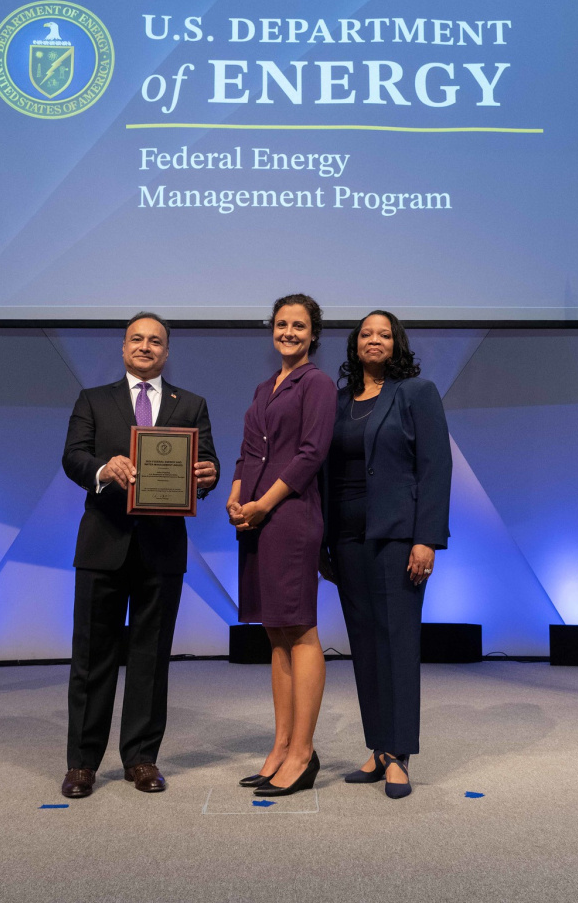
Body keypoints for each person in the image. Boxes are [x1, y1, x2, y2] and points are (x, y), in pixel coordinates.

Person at [59, 312, 219, 799]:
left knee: (151, 660)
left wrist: (207, 478)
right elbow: (73, 456)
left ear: (166, 352)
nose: (146, 347)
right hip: (102, 545)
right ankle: (83, 764)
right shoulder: (93, 400)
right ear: (123, 347)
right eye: (137, 339)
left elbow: (206, 464)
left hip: (162, 550)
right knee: (93, 658)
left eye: (155, 341)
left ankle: (142, 760)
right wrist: (105, 468)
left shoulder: (190, 404)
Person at [324, 310, 451, 799]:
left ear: (396, 344)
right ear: (355, 345)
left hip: (398, 536)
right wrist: (321, 541)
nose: (374, 340)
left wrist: (426, 539)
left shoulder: (416, 393)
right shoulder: (339, 403)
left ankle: (399, 754)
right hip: (347, 535)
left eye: (384, 334)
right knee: (365, 642)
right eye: (365, 334)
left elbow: (435, 468)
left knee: (397, 641)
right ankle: (377, 747)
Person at [228, 293, 336, 797]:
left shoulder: (316, 384)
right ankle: (280, 745)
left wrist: (263, 504)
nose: (288, 332)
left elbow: (312, 454)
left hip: (290, 517)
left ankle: (303, 752)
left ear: (314, 333)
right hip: (255, 519)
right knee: (275, 633)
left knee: (301, 631)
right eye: (280, 324)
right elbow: (250, 451)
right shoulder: (262, 386)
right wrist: (235, 497)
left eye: (298, 325)